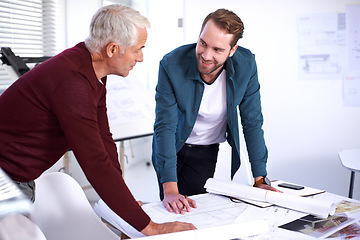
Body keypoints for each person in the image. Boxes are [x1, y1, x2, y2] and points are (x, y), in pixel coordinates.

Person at [0, 4, 195, 236]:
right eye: (137, 49)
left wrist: (128, 206)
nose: (141, 57)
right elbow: (95, 162)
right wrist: (149, 227)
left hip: (17, 180)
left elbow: (104, 140)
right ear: (112, 49)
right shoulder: (73, 83)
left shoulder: (89, 68)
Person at [152, 8, 279, 215]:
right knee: (172, 208)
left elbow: (252, 121)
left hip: (205, 150)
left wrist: (260, 179)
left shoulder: (247, 66)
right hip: (170, 146)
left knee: (195, 211)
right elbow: (165, 126)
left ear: (232, 50)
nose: (205, 55)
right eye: (203, 43)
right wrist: (170, 190)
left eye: (217, 50)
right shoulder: (171, 64)